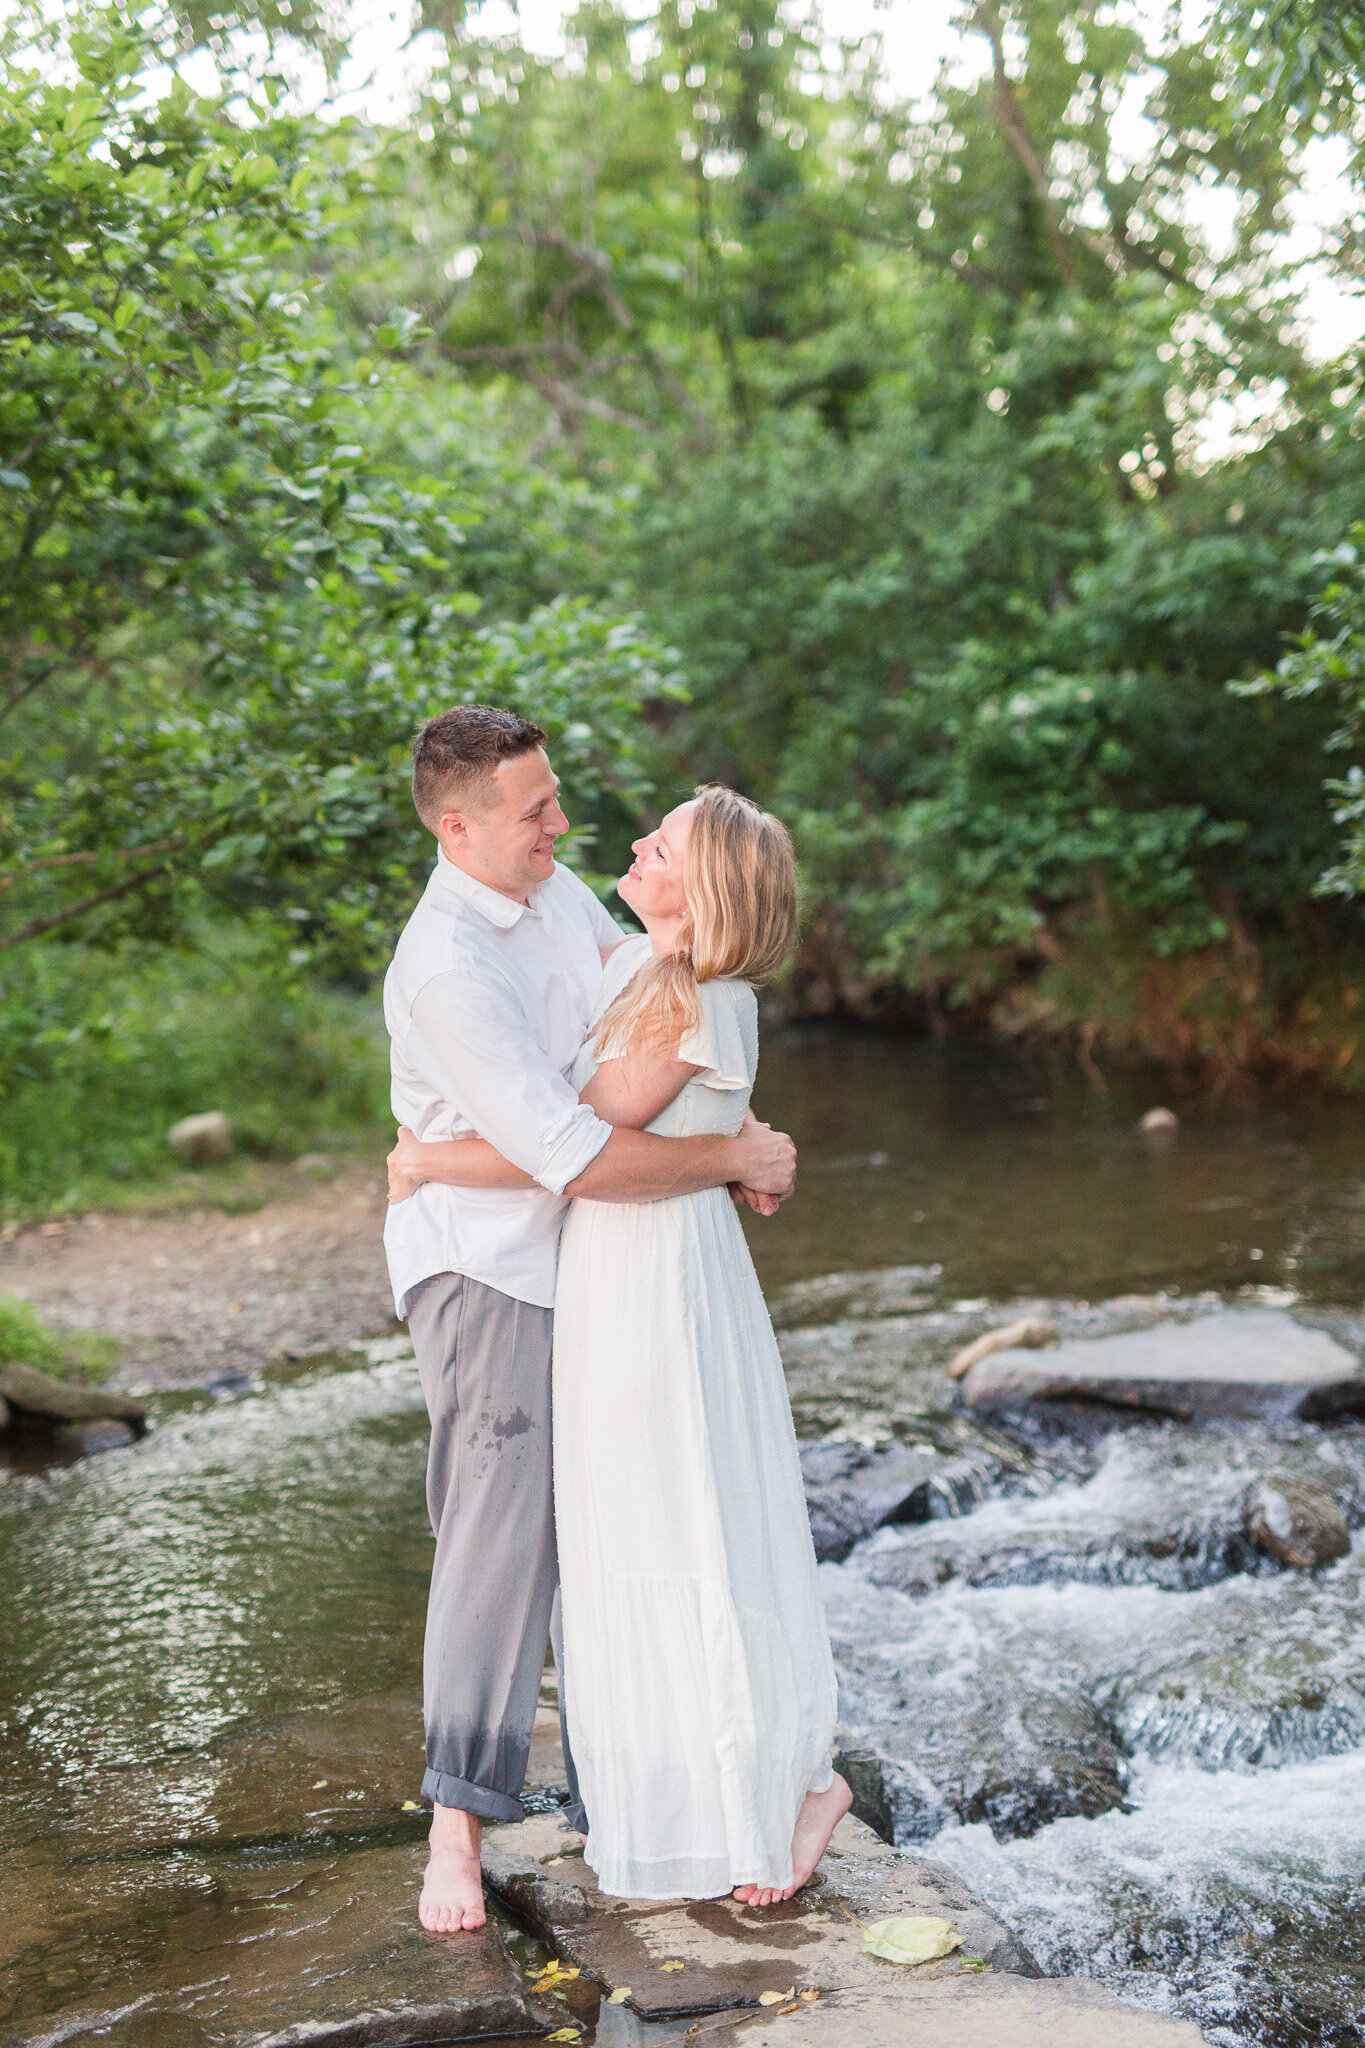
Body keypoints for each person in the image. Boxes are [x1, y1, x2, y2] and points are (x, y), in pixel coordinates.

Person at [389, 782, 850, 1907]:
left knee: (678, 1515)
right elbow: (574, 1134)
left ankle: (785, 1783)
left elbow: (576, 1141)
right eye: (539, 806)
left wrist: (426, 1159)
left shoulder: (683, 989)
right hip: (580, 1268)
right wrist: (741, 1149)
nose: (613, 841)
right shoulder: (625, 967)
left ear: (703, 889)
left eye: (660, 843)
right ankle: (684, 1790)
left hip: (646, 1278)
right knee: (623, 1525)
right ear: (458, 824)